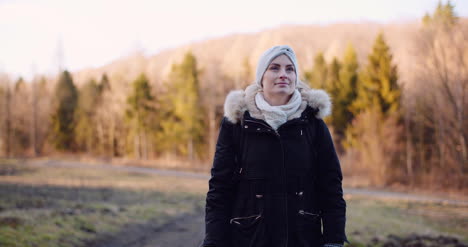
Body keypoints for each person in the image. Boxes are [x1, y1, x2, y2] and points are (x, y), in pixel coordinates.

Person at [202, 45, 348, 247]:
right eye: (274, 68)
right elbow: (220, 188)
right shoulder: (237, 122)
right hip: (249, 238)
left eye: (290, 69)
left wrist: (334, 240)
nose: (283, 74)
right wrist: (214, 241)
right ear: (261, 76)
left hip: (303, 239)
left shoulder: (312, 123)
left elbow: (331, 186)